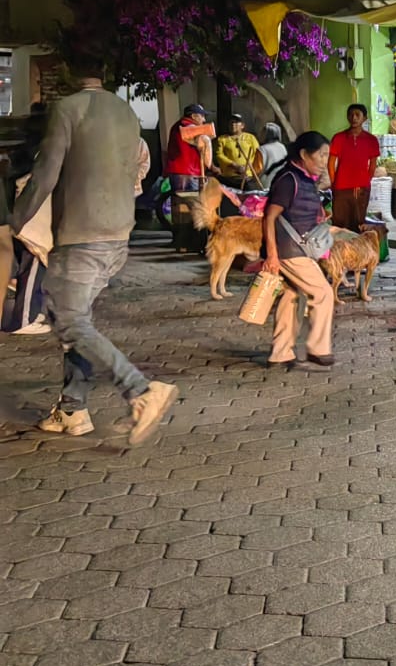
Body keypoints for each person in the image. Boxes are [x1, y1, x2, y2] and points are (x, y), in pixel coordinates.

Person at [12, 71, 178, 442]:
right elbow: (138, 169)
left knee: (71, 323)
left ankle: (141, 390)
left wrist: (13, 222)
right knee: (78, 321)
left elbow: (45, 174)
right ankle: (73, 409)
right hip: (118, 233)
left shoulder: (68, 109)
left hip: (81, 235)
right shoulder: (125, 112)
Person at [261, 131, 336, 367]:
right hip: (289, 251)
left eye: (328, 156)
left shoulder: (303, 179)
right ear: (304, 154)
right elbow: (269, 217)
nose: (325, 161)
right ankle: (318, 348)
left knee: (291, 297)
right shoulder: (288, 180)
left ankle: (281, 353)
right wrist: (272, 255)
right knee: (323, 293)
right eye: (322, 155)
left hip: (296, 249)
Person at [328, 103, 381, 230]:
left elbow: (372, 165)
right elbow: (330, 163)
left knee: (358, 224)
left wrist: (365, 182)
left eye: (358, 115)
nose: (354, 118)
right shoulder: (339, 138)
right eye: (351, 115)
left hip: (361, 188)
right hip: (340, 187)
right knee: (339, 224)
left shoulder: (371, 140)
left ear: (364, 118)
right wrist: (334, 183)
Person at [165, 103, 215, 193]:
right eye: (202, 116)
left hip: (184, 173)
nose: (204, 120)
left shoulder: (179, 126)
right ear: (194, 116)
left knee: (184, 203)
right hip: (186, 174)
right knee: (188, 203)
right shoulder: (186, 126)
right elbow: (203, 137)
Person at [215, 114, 263, 189]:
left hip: (247, 176)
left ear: (242, 125)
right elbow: (219, 155)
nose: (233, 125)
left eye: (236, 122)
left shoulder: (250, 138)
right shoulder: (222, 139)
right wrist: (234, 165)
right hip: (229, 177)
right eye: (231, 122)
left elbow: (257, 154)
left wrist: (246, 167)